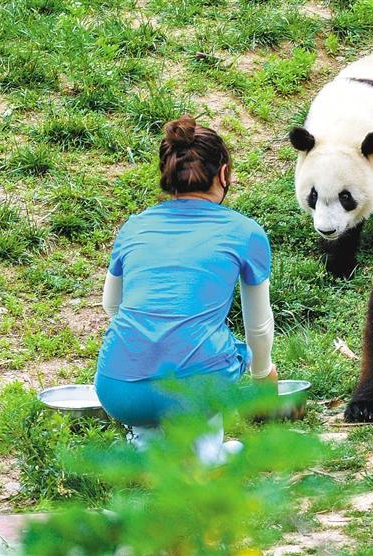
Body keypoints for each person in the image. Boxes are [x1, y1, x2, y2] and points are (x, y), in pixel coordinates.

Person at [95, 115, 275, 463]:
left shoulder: (134, 226)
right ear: (224, 174)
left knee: (163, 375)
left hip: (119, 388)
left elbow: (111, 306)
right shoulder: (245, 231)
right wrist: (263, 376)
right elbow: (258, 326)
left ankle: (145, 445)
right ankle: (209, 456)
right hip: (196, 391)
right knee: (237, 352)